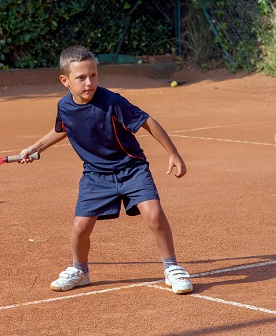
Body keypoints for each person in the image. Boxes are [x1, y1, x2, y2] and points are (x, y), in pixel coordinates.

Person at [19, 46, 193, 294]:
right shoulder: (64, 106)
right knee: (80, 228)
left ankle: (172, 268)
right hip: (95, 174)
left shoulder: (112, 101)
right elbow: (62, 129)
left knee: (153, 214)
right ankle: (80, 271)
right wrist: (35, 148)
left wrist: (173, 153)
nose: (89, 83)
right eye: (81, 78)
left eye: (93, 75)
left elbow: (147, 121)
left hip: (131, 168)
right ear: (64, 81)